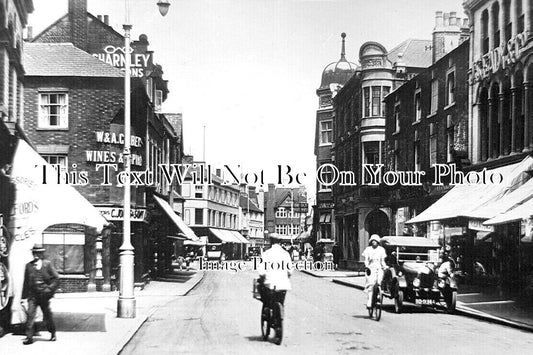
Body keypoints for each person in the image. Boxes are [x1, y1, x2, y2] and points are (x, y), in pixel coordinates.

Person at [21, 244, 59, 345]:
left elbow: (56, 278)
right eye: (34, 253)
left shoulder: (47, 264)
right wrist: (23, 297)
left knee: (47, 316)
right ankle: (29, 337)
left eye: (38, 253)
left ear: (42, 254)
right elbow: (25, 282)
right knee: (30, 315)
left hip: (44, 296)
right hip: (32, 296)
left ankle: (53, 332)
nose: (36, 255)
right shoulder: (28, 266)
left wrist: (49, 289)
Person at [258, 234, 292, 313]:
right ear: (280, 242)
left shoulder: (266, 254)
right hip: (283, 285)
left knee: (267, 301)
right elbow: (290, 271)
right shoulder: (286, 254)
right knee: (281, 300)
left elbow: (261, 271)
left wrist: (262, 277)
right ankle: (280, 312)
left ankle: (267, 311)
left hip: (270, 285)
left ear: (270, 242)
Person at [362, 234, 387, 309]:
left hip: (378, 267)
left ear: (378, 242)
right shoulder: (368, 249)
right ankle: (369, 300)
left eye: (375, 241)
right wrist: (366, 266)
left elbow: (382, 261)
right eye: (372, 241)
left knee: (379, 281)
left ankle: (378, 294)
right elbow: (366, 260)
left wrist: (384, 266)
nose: (374, 242)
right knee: (371, 284)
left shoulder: (381, 250)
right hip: (371, 268)